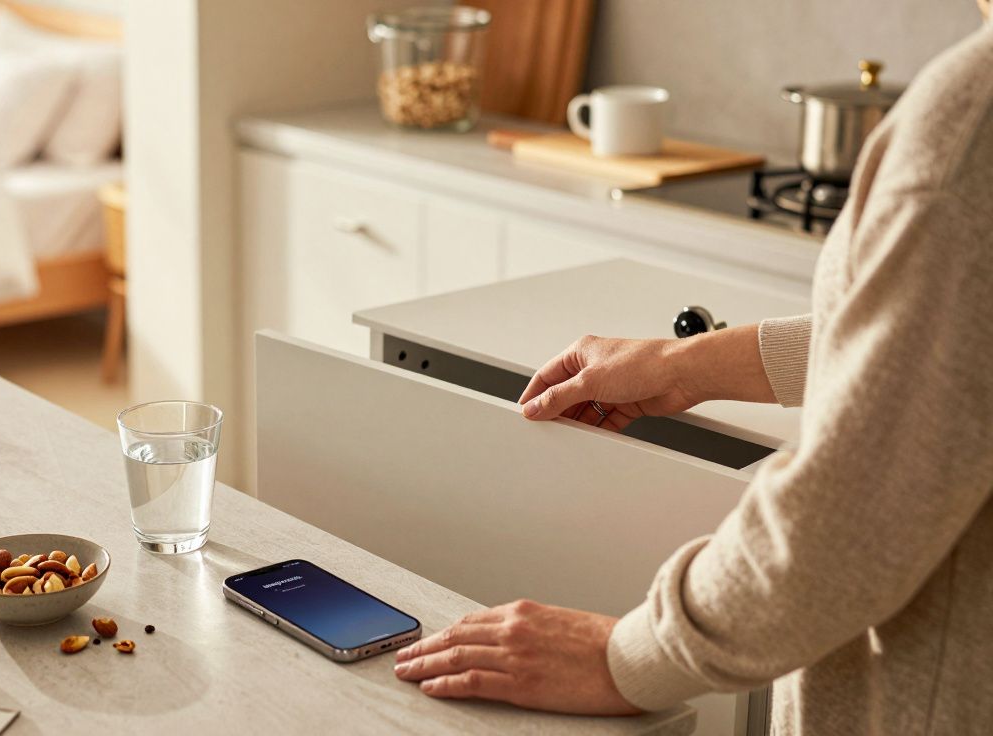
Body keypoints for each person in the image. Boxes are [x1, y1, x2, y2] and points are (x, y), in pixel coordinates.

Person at [394, 8, 993, 734]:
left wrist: (626, 657)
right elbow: (956, 347)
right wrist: (693, 363)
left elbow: (845, 525)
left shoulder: (970, 127)